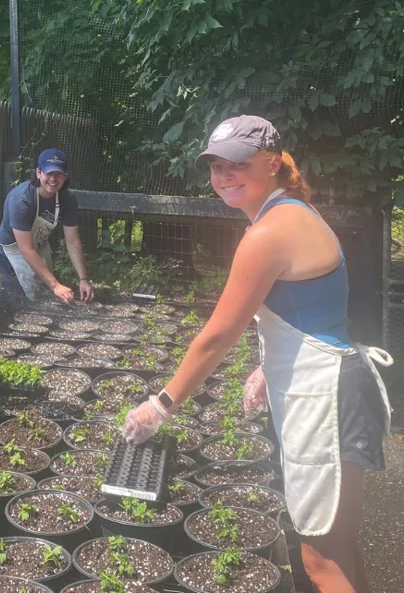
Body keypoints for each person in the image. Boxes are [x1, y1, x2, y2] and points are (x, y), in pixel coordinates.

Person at [123, 115, 392, 593]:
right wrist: (268, 367)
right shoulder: (292, 212)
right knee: (340, 550)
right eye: (215, 166)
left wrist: (159, 406)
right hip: (335, 383)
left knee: (320, 559)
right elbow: (315, 312)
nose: (224, 176)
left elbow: (216, 336)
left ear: (270, 163)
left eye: (238, 164)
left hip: (324, 399)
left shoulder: (266, 234)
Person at [0, 148, 93, 302]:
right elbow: (26, 250)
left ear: (65, 177)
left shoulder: (68, 199)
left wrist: (83, 279)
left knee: (44, 297)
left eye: (59, 174)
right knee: (19, 301)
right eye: (49, 173)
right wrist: (55, 285)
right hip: (11, 252)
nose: (53, 179)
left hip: (38, 246)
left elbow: (72, 241)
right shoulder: (21, 200)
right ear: (38, 173)